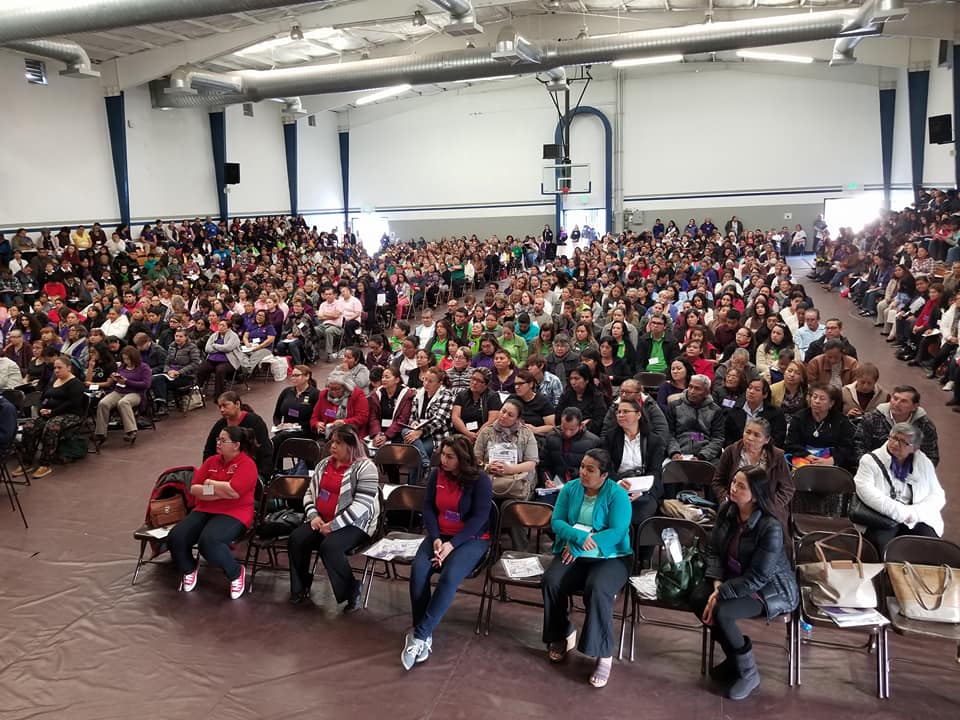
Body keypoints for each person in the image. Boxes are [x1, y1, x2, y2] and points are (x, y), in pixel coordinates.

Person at [690, 466, 799, 700]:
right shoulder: (727, 510)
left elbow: (759, 576)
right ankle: (735, 656)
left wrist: (721, 594)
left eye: (741, 486)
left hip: (768, 588)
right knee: (698, 597)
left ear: (755, 494)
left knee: (722, 612)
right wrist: (717, 585)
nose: (733, 488)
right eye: (733, 482)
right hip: (732, 577)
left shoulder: (770, 526)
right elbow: (713, 550)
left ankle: (749, 673)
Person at [542, 448, 632, 689]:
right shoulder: (571, 489)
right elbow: (557, 521)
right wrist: (576, 539)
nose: (583, 472)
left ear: (604, 476)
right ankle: (561, 634)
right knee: (552, 580)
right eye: (582, 466)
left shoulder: (617, 495)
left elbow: (617, 532)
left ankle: (603, 654)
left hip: (610, 557)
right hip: (574, 549)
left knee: (598, 588)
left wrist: (580, 547)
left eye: (590, 469)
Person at [402, 435, 493, 670]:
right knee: (419, 571)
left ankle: (419, 635)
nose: (443, 460)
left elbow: (479, 518)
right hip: (440, 535)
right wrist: (437, 539)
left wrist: (452, 545)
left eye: (449, 457)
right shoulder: (437, 474)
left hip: (471, 539)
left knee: (449, 577)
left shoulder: (481, 480)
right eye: (442, 454)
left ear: (463, 459)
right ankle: (424, 631)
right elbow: (429, 508)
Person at [287, 425, 381, 609]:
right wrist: (313, 516)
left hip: (356, 524)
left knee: (329, 547)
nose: (333, 446)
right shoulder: (324, 464)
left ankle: (351, 590)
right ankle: (301, 586)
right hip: (322, 519)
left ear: (351, 446)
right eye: (332, 442)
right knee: (297, 539)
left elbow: (361, 506)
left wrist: (334, 525)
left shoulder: (366, 468)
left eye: (339, 443)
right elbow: (309, 493)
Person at [169, 425, 259, 600]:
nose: (218, 443)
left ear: (236, 445)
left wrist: (210, 484)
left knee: (210, 542)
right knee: (176, 537)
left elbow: (234, 492)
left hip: (236, 512)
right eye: (218, 439)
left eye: (223, 440)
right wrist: (218, 491)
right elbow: (195, 488)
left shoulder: (247, 465)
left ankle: (235, 573)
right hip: (205, 508)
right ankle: (189, 568)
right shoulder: (211, 461)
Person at [852, 422, 945, 553]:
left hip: (915, 515)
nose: (896, 444)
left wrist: (915, 513)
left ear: (915, 448)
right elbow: (866, 492)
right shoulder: (869, 460)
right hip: (882, 516)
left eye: (903, 442)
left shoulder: (924, 462)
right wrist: (900, 512)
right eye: (894, 438)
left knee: (929, 544)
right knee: (882, 546)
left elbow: (937, 495)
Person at [712, 417, 794, 535]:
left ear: (766, 440)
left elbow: (788, 489)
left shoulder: (777, 456)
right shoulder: (731, 451)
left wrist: (770, 506)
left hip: (768, 509)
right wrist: (726, 499)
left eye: (757, 435)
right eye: (748, 432)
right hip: (735, 504)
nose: (750, 438)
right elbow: (717, 481)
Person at [14, 355, 85, 479]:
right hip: (50, 413)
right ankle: (27, 462)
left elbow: (71, 404)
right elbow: (43, 397)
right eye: (55, 368)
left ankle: (45, 464)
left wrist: (52, 412)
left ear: (68, 368)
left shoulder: (76, 384)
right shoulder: (54, 381)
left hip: (70, 414)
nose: (56, 370)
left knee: (52, 427)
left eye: (59, 368)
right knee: (29, 426)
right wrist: (41, 408)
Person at [603, 397, 665, 527]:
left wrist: (642, 491)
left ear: (638, 414)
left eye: (625, 411)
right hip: (617, 486)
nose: (620, 415)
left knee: (640, 518)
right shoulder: (610, 437)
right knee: (615, 516)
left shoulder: (654, 441)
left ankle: (640, 547)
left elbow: (655, 472)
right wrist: (618, 482)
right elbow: (605, 467)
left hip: (645, 489)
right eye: (619, 412)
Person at [854, 385, 939, 467]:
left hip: (910, 473)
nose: (897, 404)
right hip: (875, 469)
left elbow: (931, 455)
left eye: (904, 401)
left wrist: (914, 473)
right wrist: (871, 467)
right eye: (895, 398)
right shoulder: (871, 419)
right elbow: (859, 447)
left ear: (914, 407)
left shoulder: (924, 425)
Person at [474, 397, 539, 502]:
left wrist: (510, 469)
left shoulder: (527, 434)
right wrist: (487, 466)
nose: (504, 416)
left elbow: (531, 463)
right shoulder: (486, 432)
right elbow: (476, 459)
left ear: (518, 419)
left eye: (510, 415)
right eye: (503, 411)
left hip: (517, 482)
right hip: (489, 479)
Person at [202, 391, 273, 480]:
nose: (222, 410)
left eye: (225, 405)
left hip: (248, 475)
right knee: (204, 490)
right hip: (221, 474)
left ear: (237, 404)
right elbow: (209, 450)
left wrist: (262, 476)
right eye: (220, 407)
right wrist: (208, 475)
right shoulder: (219, 425)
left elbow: (265, 450)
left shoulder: (255, 422)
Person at [784, 384, 856, 471]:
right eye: (815, 397)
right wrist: (808, 456)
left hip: (830, 459)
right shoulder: (799, 418)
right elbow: (791, 443)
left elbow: (847, 448)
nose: (817, 401)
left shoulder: (841, 421)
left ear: (831, 403)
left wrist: (831, 460)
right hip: (804, 457)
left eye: (822, 399)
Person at [403, 366, 455, 483]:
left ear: (440, 383)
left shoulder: (446, 395)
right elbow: (412, 416)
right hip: (417, 434)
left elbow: (440, 420)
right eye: (425, 380)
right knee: (405, 431)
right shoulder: (419, 394)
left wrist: (421, 431)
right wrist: (413, 423)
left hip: (435, 435)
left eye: (430, 381)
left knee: (413, 454)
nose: (426, 383)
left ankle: (413, 486)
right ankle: (424, 462)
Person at [94, 345, 151, 446]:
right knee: (103, 403)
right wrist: (116, 379)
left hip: (135, 392)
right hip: (119, 390)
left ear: (134, 358)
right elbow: (118, 381)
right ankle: (100, 433)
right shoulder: (122, 367)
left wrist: (127, 382)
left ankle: (131, 431)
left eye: (128, 359)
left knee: (123, 403)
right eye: (124, 359)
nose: (126, 361)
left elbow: (146, 384)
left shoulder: (144, 368)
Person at [665, 374, 726, 463]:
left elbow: (718, 438)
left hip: (706, 456)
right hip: (679, 453)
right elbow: (668, 434)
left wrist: (702, 456)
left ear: (706, 392)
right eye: (690, 387)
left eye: (697, 388)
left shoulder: (715, 410)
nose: (692, 391)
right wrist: (674, 452)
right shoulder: (674, 405)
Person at [541, 407, 601, 496]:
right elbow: (543, 465)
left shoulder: (593, 442)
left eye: (572, 430)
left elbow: (598, 470)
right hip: (555, 487)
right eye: (564, 428)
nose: (567, 433)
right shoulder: (551, 438)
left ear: (581, 425)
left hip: (582, 488)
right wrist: (547, 480)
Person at [271, 365, 320, 456]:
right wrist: (279, 425)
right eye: (292, 375)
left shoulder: (315, 394)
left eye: (297, 375)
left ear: (307, 376)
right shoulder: (286, 392)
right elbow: (276, 415)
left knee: (277, 441)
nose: (293, 378)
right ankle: (276, 468)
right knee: (280, 438)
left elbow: (316, 418)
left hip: (304, 431)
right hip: (285, 430)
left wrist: (294, 425)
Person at [723, 378, 787, 448]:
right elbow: (727, 436)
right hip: (737, 450)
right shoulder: (735, 410)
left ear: (765, 395)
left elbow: (778, 439)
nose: (751, 392)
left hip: (765, 452)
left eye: (757, 389)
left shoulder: (776, 413)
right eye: (750, 388)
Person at [310, 370, 370, 440]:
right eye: (330, 388)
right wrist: (317, 424)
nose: (333, 392)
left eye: (337, 389)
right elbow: (314, 417)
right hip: (328, 436)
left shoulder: (357, 395)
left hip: (351, 436)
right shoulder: (324, 395)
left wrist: (344, 422)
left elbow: (362, 417)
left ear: (345, 387)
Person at [151, 329, 201, 413]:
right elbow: (166, 362)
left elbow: (195, 364)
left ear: (186, 337)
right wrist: (168, 371)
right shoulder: (172, 346)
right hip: (171, 374)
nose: (178, 338)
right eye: (176, 336)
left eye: (180, 336)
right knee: (158, 379)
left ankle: (161, 405)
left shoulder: (192, 347)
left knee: (159, 381)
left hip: (186, 376)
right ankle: (162, 405)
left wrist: (179, 372)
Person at [450, 366, 501, 444]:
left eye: (479, 381)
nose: (474, 383)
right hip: (462, 434)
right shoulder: (462, 395)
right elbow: (455, 417)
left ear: (486, 384)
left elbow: (492, 420)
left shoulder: (492, 397)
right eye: (473, 379)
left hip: (484, 435)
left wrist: (477, 435)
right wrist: (467, 433)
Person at [197, 319, 243, 400]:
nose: (220, 327)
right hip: (213, 360)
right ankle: (197, 392)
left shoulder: (234, 336)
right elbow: (207, 348)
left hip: (229, 361)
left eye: (223, 325)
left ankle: (219, 395)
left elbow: (228, 348)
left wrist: (215, 346)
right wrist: (220, 348)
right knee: (201, 368)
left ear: (228, 328)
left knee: (220, 370)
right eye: (219, 325)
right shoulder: (214, 335)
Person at [554, 364, 607, 432]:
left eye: (577, 378)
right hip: (566, 430)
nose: (573, 382)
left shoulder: (596, 396)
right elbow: (558, 416)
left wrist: (582, 427)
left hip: (588, 433)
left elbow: (599, 420)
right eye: (571, 379)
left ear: (586, 380)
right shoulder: (566, 395)